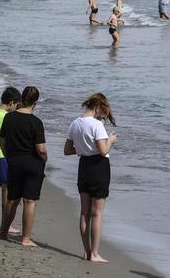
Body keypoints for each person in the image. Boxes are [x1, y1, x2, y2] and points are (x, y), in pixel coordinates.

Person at [63, 93, 117, 263]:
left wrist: (82, 149)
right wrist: (111, 140)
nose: (104, 115)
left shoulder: (75, 123)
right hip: (99, 168)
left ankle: (86, 252)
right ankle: (94, 253)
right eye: (104, 111)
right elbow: (103, 150)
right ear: (98, 107)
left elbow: (67, 150)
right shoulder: (97, 125)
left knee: (84, 212)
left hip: (83, 167)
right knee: (97, 213)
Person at [0, 85, 46, 246]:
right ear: (35, 103)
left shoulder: (9, 118)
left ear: (22, 99)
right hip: (33, 164)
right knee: (29, 201)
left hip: (14, 162)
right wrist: (45, 158)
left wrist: (8, 156)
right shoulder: (36, 122)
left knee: (12, 199)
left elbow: (2, 141)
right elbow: (40, 148)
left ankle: (3, 232)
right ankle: (25, 238)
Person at [0, 87, 21, 236]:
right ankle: (6, 223)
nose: (16, 108)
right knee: (7, 192)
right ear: (12, 102)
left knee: (5, 190)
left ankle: (6, 223)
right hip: (2, 156)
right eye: (16, 105)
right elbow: (7, 139)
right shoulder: (4, 117)